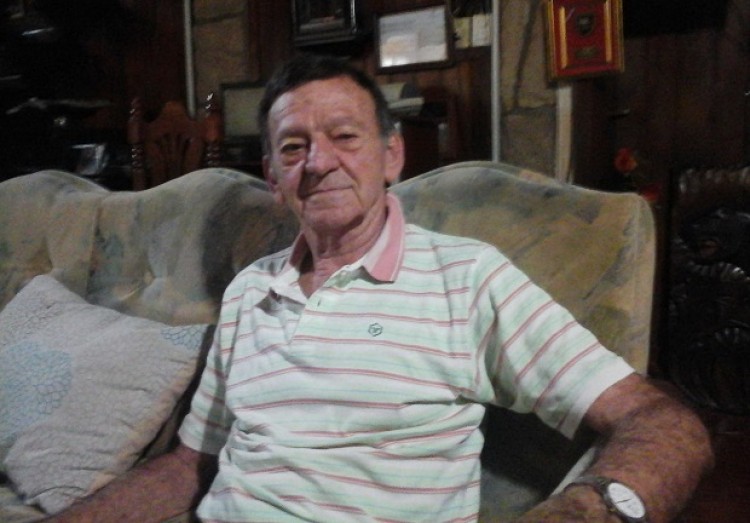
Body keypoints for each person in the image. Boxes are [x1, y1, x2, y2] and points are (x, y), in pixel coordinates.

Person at [47, 54, 712, 523]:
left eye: (344, 136)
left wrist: (587, 508)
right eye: (293, 147)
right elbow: (193, 462)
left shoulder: (467, 278)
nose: (319, 162)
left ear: (392, 155)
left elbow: (662, 421)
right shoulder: (250, 290)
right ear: (273, 177)